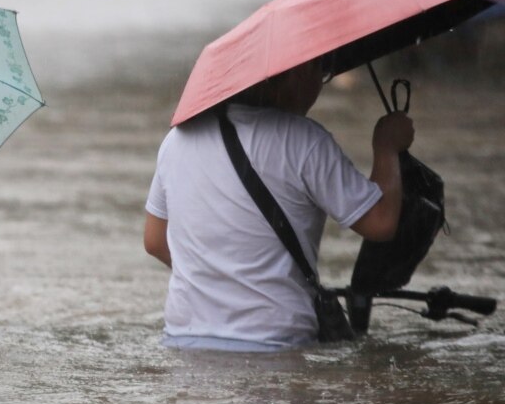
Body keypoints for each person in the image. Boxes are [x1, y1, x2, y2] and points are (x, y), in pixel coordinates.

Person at [143, 57, 414, 351]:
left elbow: (155, 241)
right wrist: (387, 148)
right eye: (318, 72)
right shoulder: (305, 141)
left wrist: (220, 277)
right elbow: (381, 222)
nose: (318, 86)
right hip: (275, 343)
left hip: (184, 340)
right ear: (291, 76)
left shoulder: (177, 139)